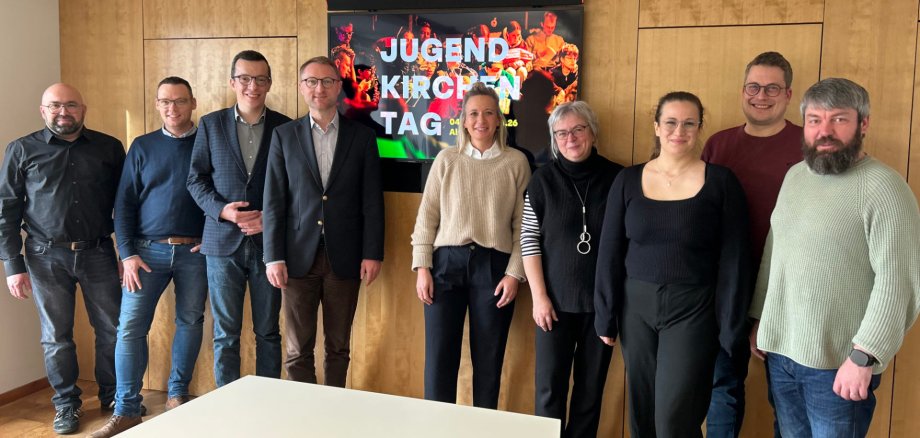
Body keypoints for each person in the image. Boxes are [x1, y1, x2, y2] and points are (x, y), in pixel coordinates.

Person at [749, 78, 920, 438]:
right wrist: (761, 320)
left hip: (840, 364)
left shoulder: (885, 188)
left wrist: (865, 355)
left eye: (838, 119)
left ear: (863, 123)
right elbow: (774, 254)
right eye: (814, 120)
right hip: (781, 355)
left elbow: (898, 282)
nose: (824, 131)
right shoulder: (795, 176)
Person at [595, 91, 752, 437]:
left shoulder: (721, 182)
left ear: (699, 128)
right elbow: (609, 251)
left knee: (673, 420)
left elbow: (735, 261)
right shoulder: (627, 181)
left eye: (688, 123)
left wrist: (731, 325)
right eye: (670, 122)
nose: (678, 131)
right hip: (636, 309)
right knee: (642, 416)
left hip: (693, 310)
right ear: (656, 126)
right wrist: (605, 314)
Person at [0, 83, 125, 435]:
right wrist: (13, 265)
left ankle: (113, 395)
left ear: (83, 109)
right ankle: (66, 405)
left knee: (112, 329)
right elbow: (6, 209)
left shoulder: (109, 148)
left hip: (99, 252)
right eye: (55, 105)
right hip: (44, 256)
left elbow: (127, 203)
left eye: (71, 105)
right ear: (43, 111)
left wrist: (126, 252)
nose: (63, 112)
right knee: (56, 336)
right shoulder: (21, 150)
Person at [88, 77, 207, 437]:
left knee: (190, 322)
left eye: (180, 101)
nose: (173, 108)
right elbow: (123, 205)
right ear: (157, 105)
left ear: (193, 103)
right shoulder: (142, 146)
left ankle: (176, 395)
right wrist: (127, 254)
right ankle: (126, 410)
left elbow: (221, 192)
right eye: (165, 101)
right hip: (145, 254)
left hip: (196, 252)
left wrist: (212, 238)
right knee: (130, 328)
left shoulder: (208, 142)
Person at [263, 56, 385, 387]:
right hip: (295, 257)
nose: (319, 88)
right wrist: (273, 256)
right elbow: (273, 201)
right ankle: (304, 411)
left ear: (339, 87)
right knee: (297, 350)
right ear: (301, 87)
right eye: (312, 82)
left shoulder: (362, 136)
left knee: (338, 347)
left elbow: (372, 201)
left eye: (327, 81)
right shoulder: (284, 136)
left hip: (345, 256)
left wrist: (372, 253)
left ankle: (335, 409)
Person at [701, 51, 802, 438]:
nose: (761, 96)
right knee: (722, 387)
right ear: (743, 90)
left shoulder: (807, 145)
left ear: (788, 94)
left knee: (786, 397)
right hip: (725, 289)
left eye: (772, 88)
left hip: (786, 291)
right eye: (754, 87)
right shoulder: (718, 145)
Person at [412, 82, 530, 409]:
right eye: (474, 113)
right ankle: (437, 427)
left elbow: (523, 226)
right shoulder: (446, 159)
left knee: (489, 361)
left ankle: (484, 427)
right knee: (439, 360)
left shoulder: (516, 162)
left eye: (489, 113)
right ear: (463, 120)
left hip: (494, 269)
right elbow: (427, 217)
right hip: (445, 266)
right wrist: (422, 268)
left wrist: (514, 274)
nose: (481, 120)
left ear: (498, 120)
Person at [187, 50, 292, 387]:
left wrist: (270, 220)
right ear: (233, 82)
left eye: (260, 79)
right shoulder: (211, 124)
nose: (252, 86)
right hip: (221, 243)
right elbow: (195, 180)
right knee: (225, 334)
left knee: (269, 331)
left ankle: (268, 402)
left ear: (269, 83)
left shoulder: (286, 127)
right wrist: (222, 210)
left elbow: (295, 188)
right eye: (245, 78)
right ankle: (227, 404)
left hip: (269, 245)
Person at [522, 101, 622, 437]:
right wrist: (539, 298)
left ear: (593, 132)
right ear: (554, 139)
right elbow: (529, 240)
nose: (571, 138)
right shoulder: (542, 181)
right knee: (549, 391)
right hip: (553, 306)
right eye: (561, 133)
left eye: (578, 129)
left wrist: (614, 305)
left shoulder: (618, 179)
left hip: (601, 307)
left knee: (589, 394)